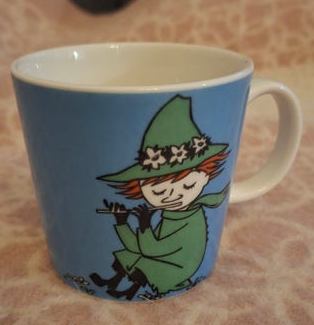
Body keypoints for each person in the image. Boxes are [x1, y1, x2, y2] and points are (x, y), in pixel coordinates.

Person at [90, 95, 230, 300]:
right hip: (164, 258)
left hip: (179, 268)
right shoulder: (171, 215)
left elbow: (153, 250)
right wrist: (122, 221)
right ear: (141, 188)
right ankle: (113, 282)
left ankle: (130, 290)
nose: (172, 197)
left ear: (205, 177)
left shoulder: (190, 218)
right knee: (131, 255)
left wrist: (145, 225)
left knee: (143, 260)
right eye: (158, 192)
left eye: (188, 185)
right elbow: (138, 247)